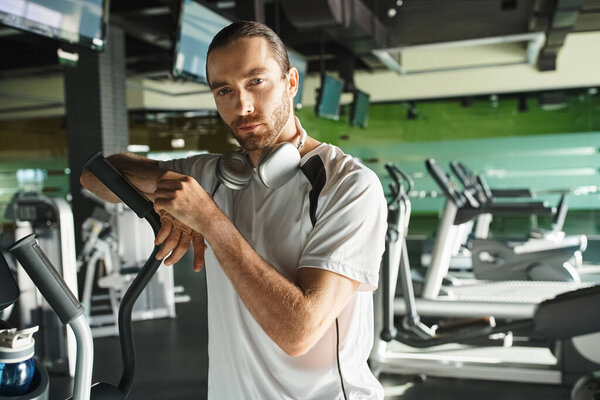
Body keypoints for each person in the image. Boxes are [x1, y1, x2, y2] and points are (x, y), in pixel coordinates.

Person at [81, 21, 386, 400]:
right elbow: (96, 176)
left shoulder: (348, 184)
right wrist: (168, 202)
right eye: (224, 90)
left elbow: (299, 332)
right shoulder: (215, 174)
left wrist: (208, 219)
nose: (240, 105)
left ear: (291, 83)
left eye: (256, 81)